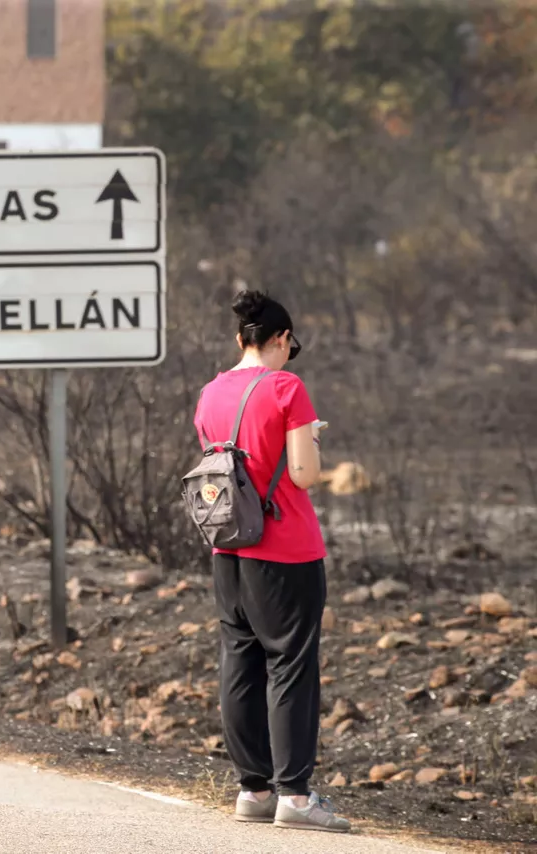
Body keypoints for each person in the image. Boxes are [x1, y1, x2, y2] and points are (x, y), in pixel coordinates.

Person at [192, 290, 348, 833]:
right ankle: (297, 798)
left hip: (227, 545)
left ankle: (253, 790)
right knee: (291, 665)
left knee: (240, 660)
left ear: (241, 338)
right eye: (291, 345)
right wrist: (311, 438)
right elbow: (304, 475)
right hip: (284, 548)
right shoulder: (287, 387)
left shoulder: (211, 393)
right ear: (281, 339)